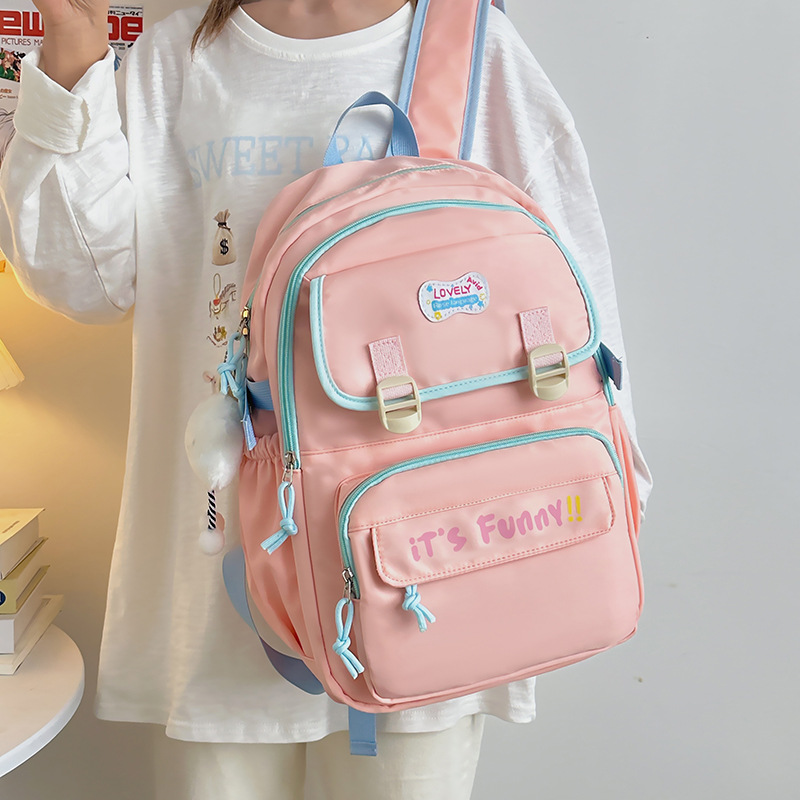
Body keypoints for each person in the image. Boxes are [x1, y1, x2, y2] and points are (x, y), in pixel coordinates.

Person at [0, 1, 652, 797]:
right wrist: (72, 59)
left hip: (432, 573)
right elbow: (83, 283)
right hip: (222, 592)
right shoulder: (174, 62)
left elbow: (582, 317)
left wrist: (605, 504)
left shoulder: (471, 49)